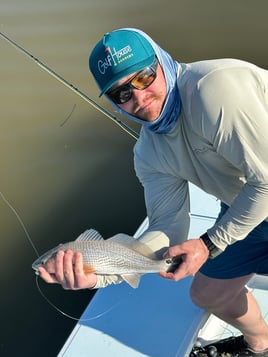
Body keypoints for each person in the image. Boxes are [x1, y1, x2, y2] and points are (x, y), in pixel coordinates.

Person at [39, 28, 268, 356]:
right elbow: (167, 226)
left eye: (144, 78)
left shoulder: (213, 88)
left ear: (162, 60)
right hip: (246, 211)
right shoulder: (148, 154)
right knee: (207, 295)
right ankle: (262, 343)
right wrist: (101, 273)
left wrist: (209, 244)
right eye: (121, 94)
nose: (139, 99)